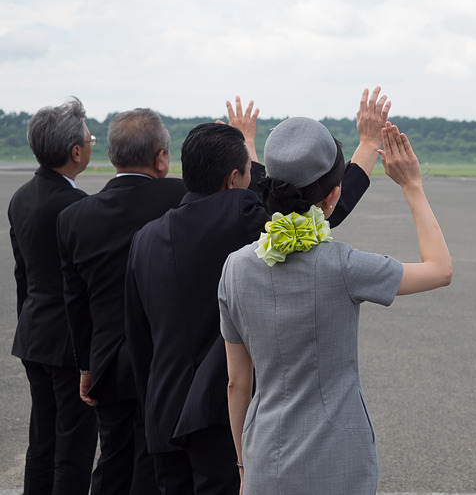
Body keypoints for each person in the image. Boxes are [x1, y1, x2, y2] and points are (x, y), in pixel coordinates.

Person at [124, 88, 390, 494]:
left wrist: (149, 412)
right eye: (250, 172)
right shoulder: (247, 218)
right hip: (218, 417)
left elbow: (138, 337)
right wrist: (368, 144)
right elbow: (312, 204)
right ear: (235, 179)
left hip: (162, 412)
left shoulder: (145, 238)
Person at [220, 118, 452, 495]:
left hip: (264, 454)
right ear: (333, 196)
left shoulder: (235, 268)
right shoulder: (344, 266)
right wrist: (412, 186)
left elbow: (236, 383)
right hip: (339, 460)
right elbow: (440, 270)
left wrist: (244, 462)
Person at [56, 107, 187, 495]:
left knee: (112, 457)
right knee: (155, 459)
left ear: (111, 157)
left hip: (108, 360)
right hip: (167, 357)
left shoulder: (73, 217)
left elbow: (75, 303)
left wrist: (86, 365)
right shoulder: (179, 198)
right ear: (161, 157)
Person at [8, 97, 98, 495]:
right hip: (70, 345)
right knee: (74, 447)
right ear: (75, 152)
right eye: (89, 137)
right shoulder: (78, 206)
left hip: (33, 335)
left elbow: (22, 275)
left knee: (41, 441)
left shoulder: (20, 198)